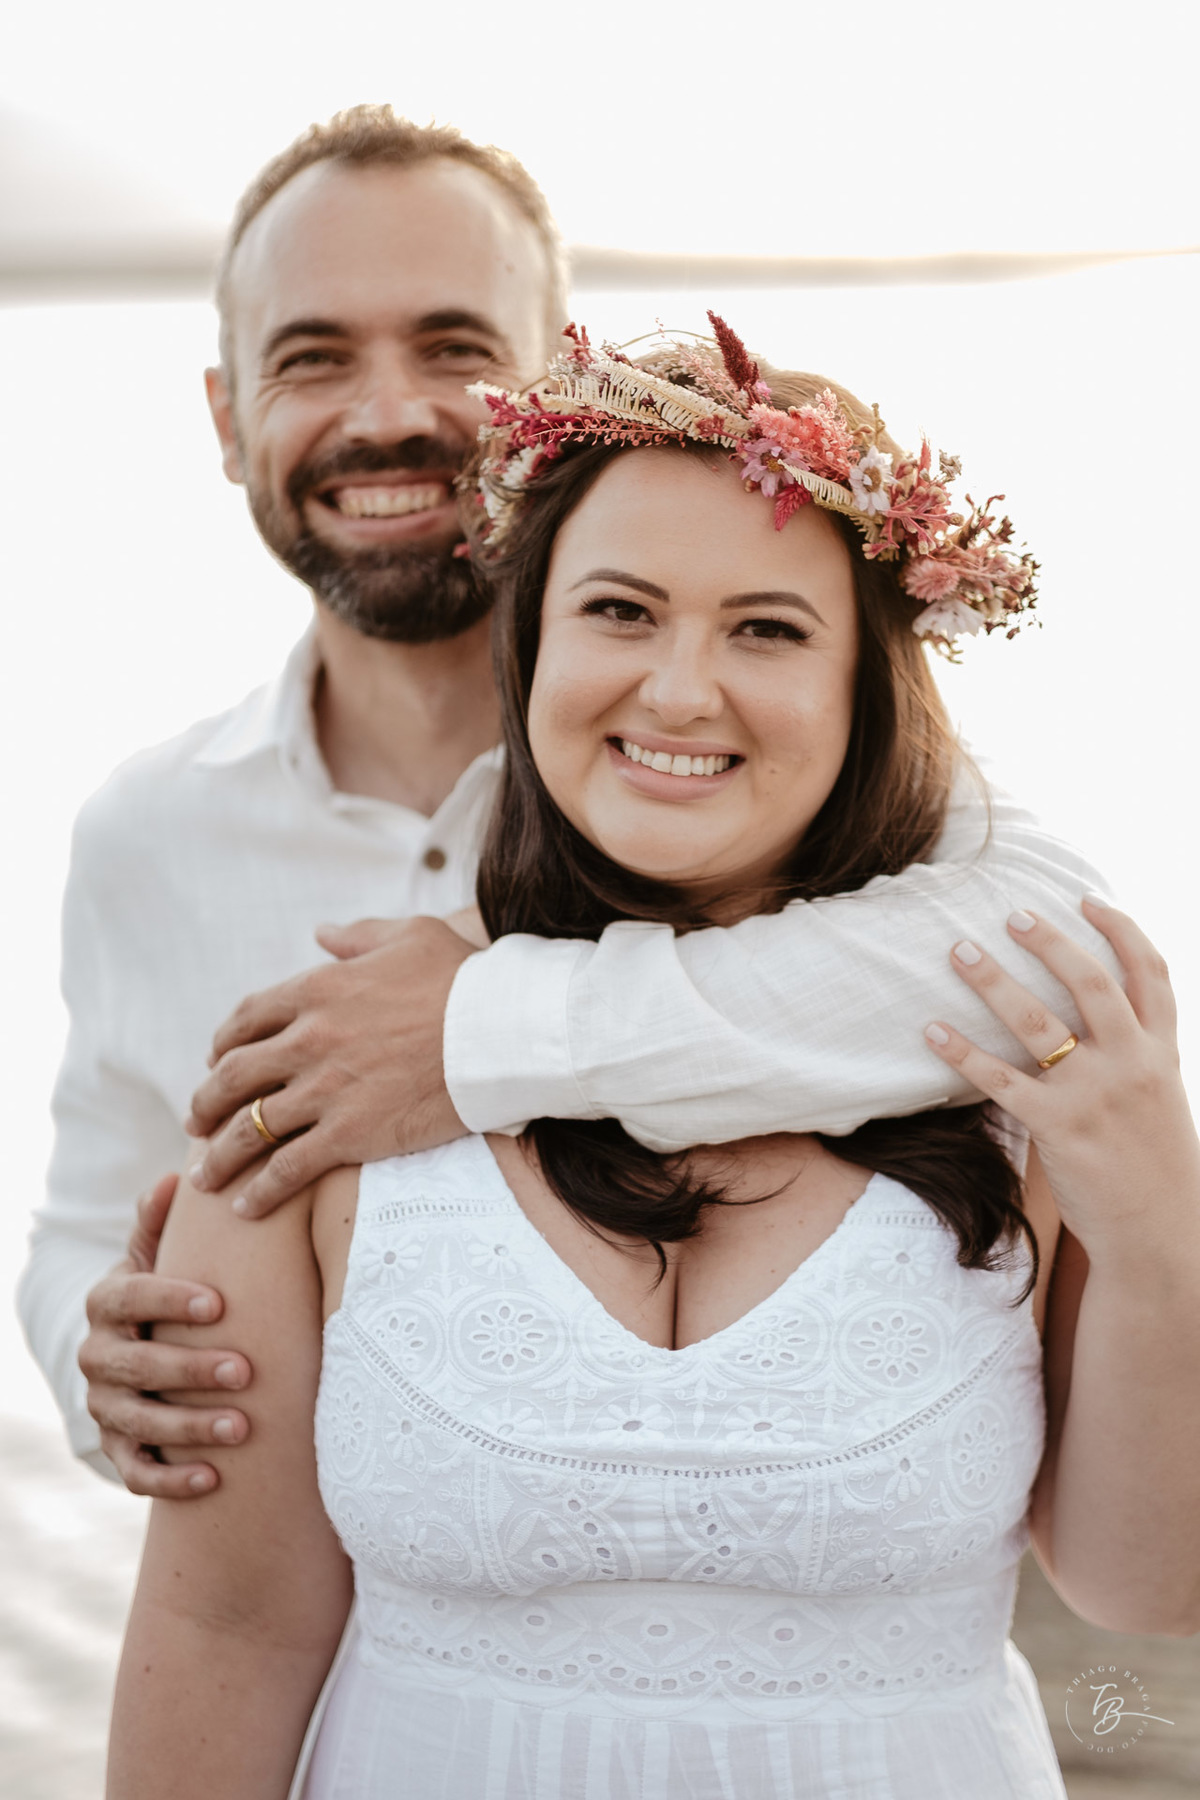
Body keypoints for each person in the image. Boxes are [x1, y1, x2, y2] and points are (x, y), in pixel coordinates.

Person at [108, 327, 1200, 1800]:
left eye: (769, 630)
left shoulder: (1020, 1072)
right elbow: (224, 1630)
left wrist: (1162, 1233)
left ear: (869, 687)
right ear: (530, 647)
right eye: (620, 610)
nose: (682, 692)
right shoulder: (332, 1074)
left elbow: (1146, 1586)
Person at [22, 103, 1108, 1505]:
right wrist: (98, 1365)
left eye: (455, 349)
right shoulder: (145, 833)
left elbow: (1053, 957)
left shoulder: (727, 763)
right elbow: (84, 1213)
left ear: (560, 393)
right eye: (313, 358)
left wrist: (479, 1034)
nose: (389, 415)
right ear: (230, 421)